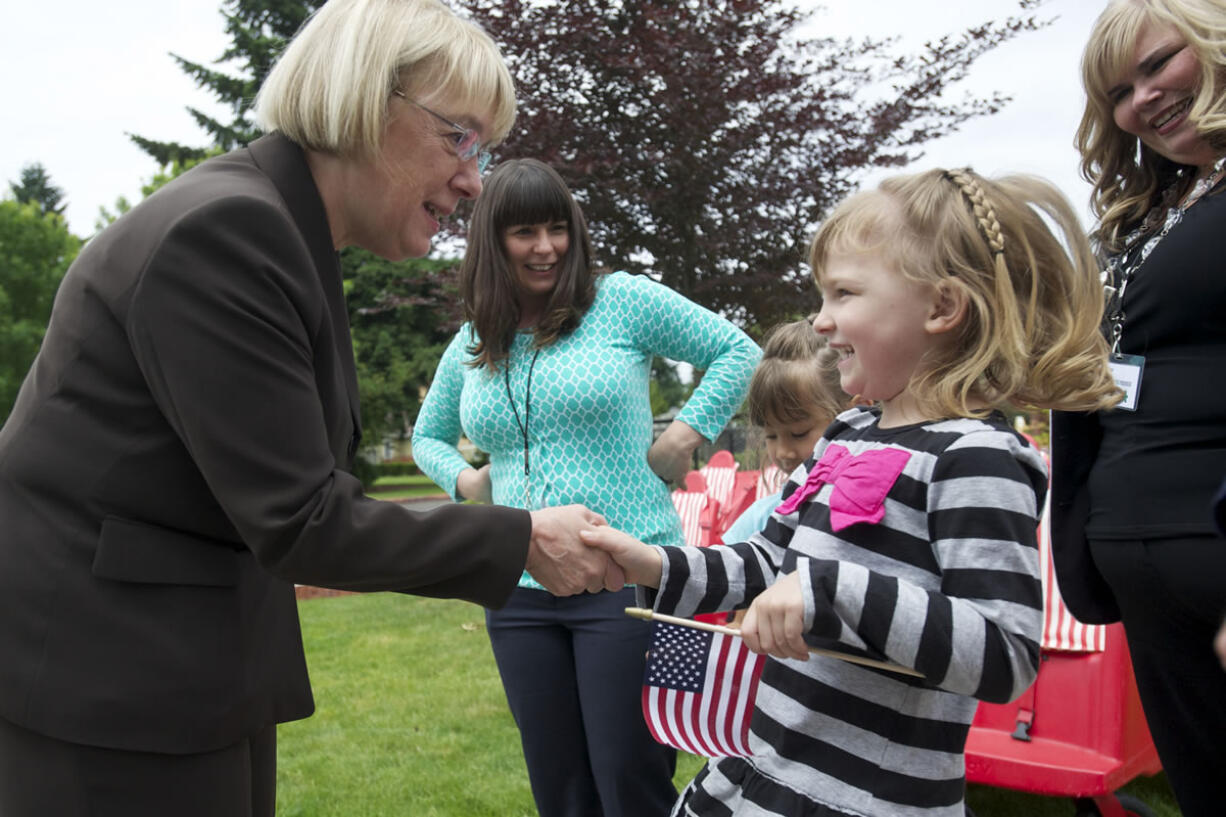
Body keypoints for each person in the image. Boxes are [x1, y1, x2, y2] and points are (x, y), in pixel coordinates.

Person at [0, 3, 620, 815]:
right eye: (459, 138)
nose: (475, 179)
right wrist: (522, 535)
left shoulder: (278, 231)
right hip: (108, 687)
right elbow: (300, 514)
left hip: (172, 670)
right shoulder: (227, 232)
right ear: (367, 102)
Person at [582, 168, 1121, 817]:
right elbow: (766, 562)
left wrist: (829, 592)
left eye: (843, 294)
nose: (821, 320)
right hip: (762, 770)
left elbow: (1004, 652)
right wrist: (651, 562)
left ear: (941, 308)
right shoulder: (850, 433)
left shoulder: (977, 458)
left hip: (864, 800)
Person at [410, 158, 760, 817]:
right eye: (524, 233)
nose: (545, 247)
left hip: (630, 580)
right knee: (558, 783)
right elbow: (429, 435)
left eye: (556, 228)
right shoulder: (474, 339)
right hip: (517, 589)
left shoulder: (620, 301)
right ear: (494, 242)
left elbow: (736, 348)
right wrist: (469, 478)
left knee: (632, 777)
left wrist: (686, 435)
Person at [1051, 1, 1226, 811]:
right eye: (1120, 91)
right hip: (1138, 562)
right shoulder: (1150, 211)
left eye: (1158, 64)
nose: (1143, 99)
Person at [719, 319, 849, 548]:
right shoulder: (762, 519)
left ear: (853, 413)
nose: (783, 452)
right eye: (771, 436)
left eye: (799, 433)